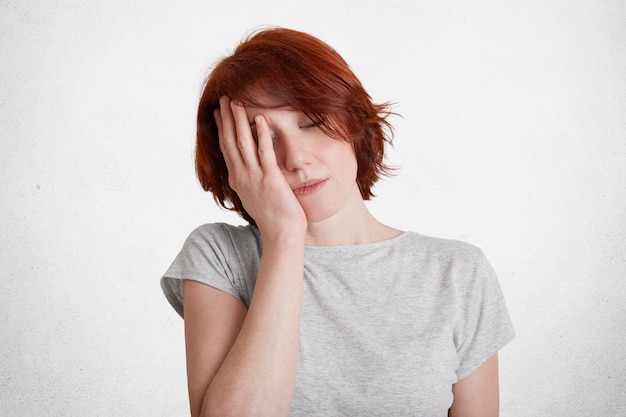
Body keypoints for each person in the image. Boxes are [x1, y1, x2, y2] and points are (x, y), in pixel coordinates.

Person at [161, 27, 515, 417]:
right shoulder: (218, 256)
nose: (295, 159)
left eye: (310, 122)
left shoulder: (458, 271)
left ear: (353, 120)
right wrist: (285, 237)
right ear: (235, 158)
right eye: (263, 140)